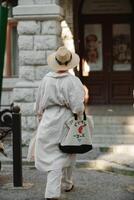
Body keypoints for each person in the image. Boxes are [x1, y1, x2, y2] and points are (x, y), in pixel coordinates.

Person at [34, 46, 85, 200]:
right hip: (66, 119)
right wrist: (80, 116)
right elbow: (77, 106)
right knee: (67, 150)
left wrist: (40, 117)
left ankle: (67, 184)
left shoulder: (46, 79)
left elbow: (38, 104)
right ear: (69, 63)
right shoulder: (73, 81)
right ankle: (53, 192)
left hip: (48, 119)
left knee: (53, 153)